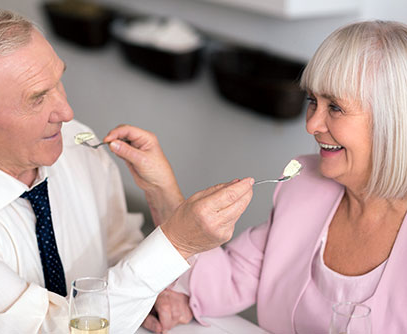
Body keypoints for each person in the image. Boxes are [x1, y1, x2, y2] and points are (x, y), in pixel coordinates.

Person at [0, 9, 254, 334]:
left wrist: (153, 290)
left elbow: (117, 246)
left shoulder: (75, 145)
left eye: (59, 81)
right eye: (38, 97)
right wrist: (175, 243)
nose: (67, 112)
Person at [108, 20, 407, 333]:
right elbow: (225, 283)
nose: (312, 124)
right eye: (312, 102)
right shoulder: (305, 187)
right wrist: (161, 188)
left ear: (392, 119)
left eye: (335, 107)